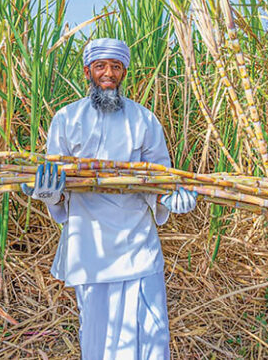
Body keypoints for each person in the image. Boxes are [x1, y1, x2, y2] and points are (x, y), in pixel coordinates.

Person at [22, 37, 197, 359]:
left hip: (137, 242)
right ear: (88, 70)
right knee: (96, 330)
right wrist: (47, 193)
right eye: (101, 66)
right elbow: (55, 181)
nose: (108, 73)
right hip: (88, 240)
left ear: (124, 73)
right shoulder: (66, 118)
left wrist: (171, 199)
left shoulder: (144, 119)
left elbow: (161, 178)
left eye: (115, 67)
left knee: (150, 330)